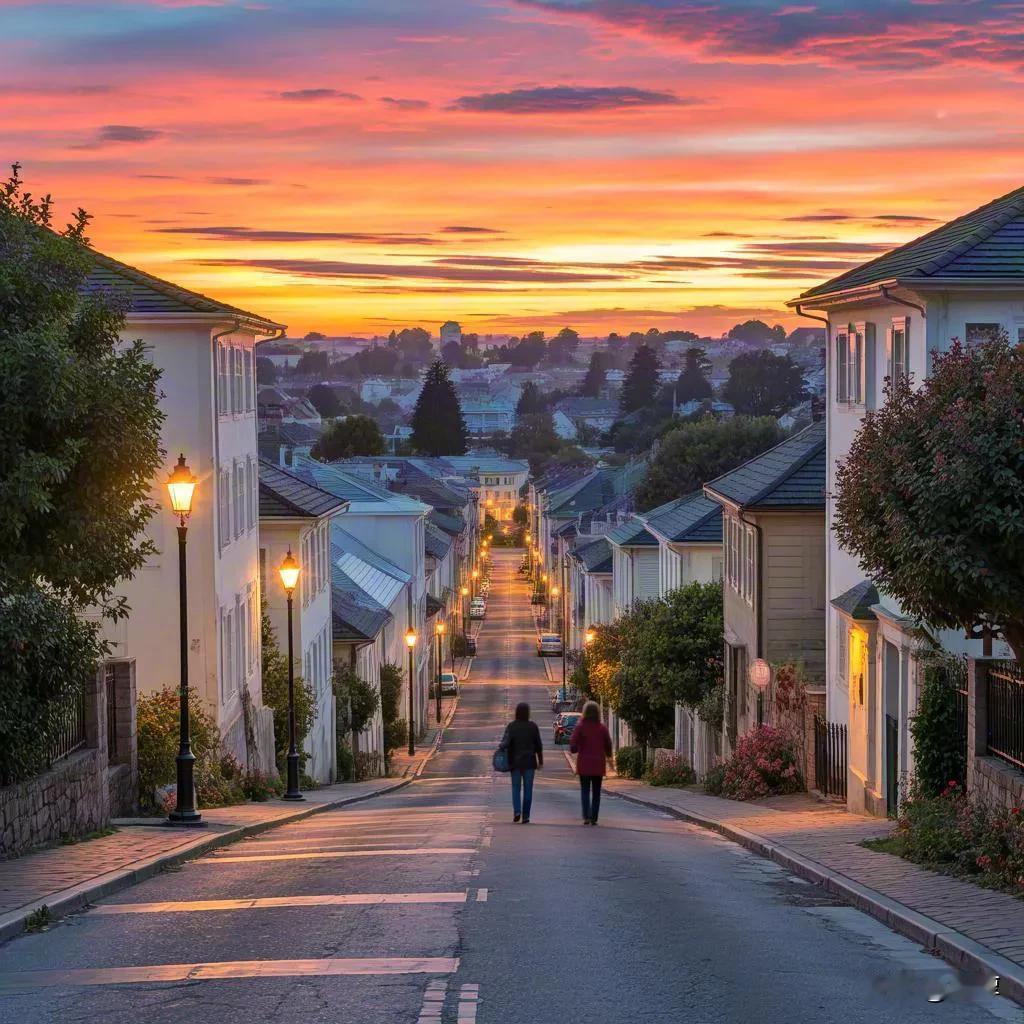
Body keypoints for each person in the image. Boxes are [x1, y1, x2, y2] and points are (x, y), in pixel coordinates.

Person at [569, 701, 612, 825]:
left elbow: (573, 743)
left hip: (584, 764)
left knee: (585, 791)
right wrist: (609, 756)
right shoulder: (602, 728)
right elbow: (608, 743)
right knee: (597, 792)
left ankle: (586, 816)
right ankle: (594, 817)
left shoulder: (580, 726)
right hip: (598, 764)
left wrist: (574, 749)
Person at [504, 702, 543, 823]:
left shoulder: (512, 726)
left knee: (516, 789)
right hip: (529, 762)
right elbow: (538, 745)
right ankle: (526, 815)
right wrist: (540, 760)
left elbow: (506, 743)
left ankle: (517, 811)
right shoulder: (533, 727)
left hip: (515, 763)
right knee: (528, 789)